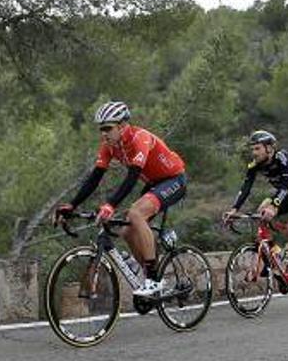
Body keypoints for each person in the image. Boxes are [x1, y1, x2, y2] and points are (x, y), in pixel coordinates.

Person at [53, 102, 187, 298]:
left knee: (135, 213)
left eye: (108, 128)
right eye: (101, 129)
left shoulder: (140, 138)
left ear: (122, 126)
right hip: (153, 183)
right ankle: (155, 277)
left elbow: (132, 177)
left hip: (174, 179)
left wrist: (110, 205)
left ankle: (152, 280)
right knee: (126, 231)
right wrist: (72, 204)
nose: (103, 134)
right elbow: (95, 178)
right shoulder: (109, 147)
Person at [222, 130, 288, 295]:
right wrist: (234, 209)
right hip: (284, 197)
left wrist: (274, 206)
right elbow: (245, 189)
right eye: (253, 149)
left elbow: (286, 185)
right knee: (262, 211)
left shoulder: (283, 158)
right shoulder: (255, 165)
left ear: (269, 149)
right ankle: (275, 258)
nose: (254, 153)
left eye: (257, 148)